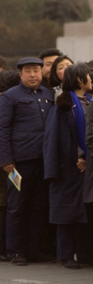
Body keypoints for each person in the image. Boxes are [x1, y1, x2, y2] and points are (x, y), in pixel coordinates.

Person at [0, 57, 54, 264]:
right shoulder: (10, 97)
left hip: (43, 160)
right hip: (19, 163)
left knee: (39, 205)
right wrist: (6, 159)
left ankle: (34, 249)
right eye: (28, 71)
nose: (33, 75)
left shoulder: (47, 94)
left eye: (36, 70)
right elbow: (2, 129)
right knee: (17, 206)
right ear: (21, 74)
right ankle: (15, 251)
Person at [43, 63, 93, 269]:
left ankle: (84, 254)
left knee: (84, 213)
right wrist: (77, 156)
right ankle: (64, 254)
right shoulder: (63, 105)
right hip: (68, 166)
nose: (91, 79)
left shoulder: (91, 101)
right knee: (66, 213)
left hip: (86, 167)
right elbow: (58, 137)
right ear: (80, 80)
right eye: (88, 76)